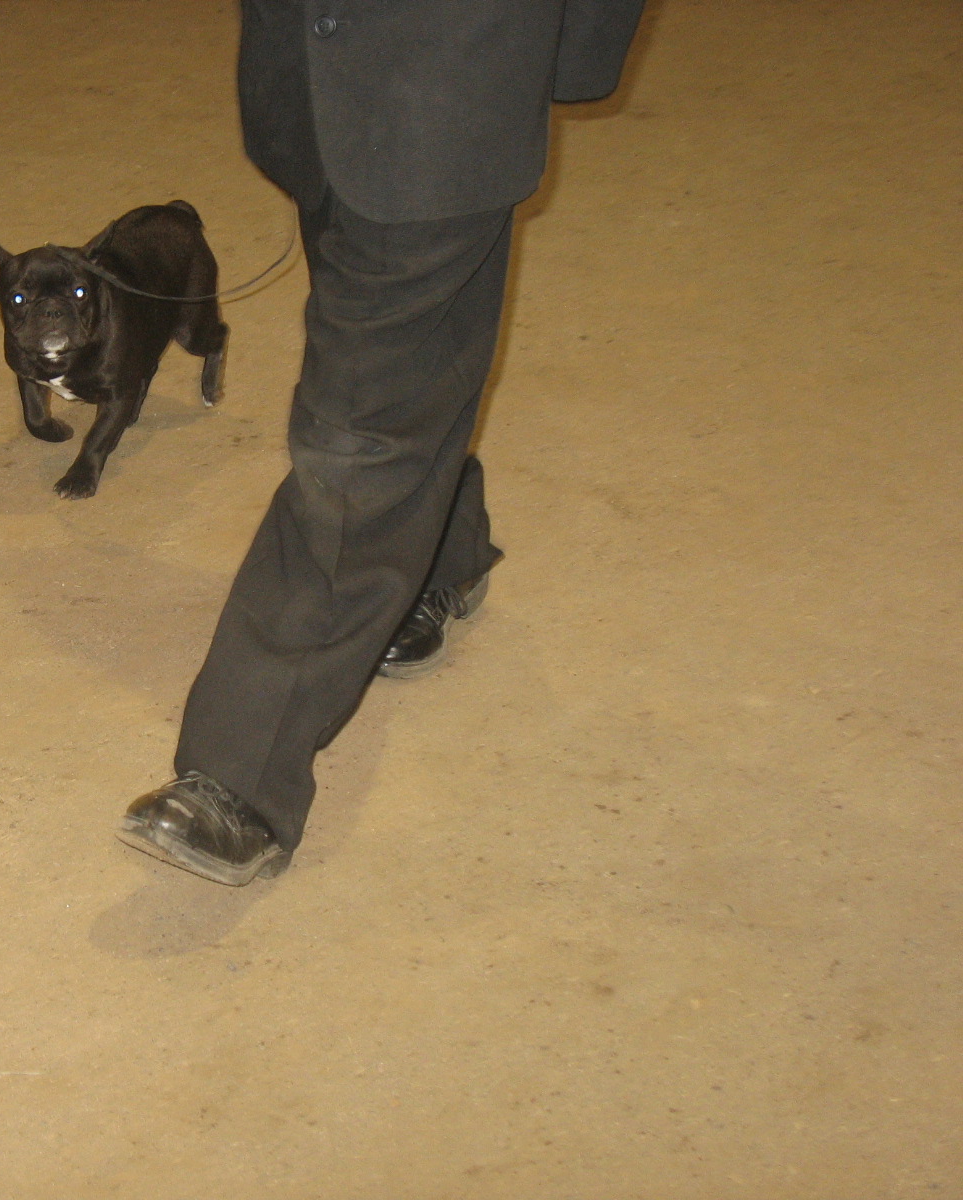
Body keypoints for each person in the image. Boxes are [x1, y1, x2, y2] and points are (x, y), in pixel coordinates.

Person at [116, 0, 647, 885]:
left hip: (458, 66)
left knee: (355, 433)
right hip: (310, 67)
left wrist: (561, 53)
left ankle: (242, 770)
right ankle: (440, 553)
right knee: (415, 352)